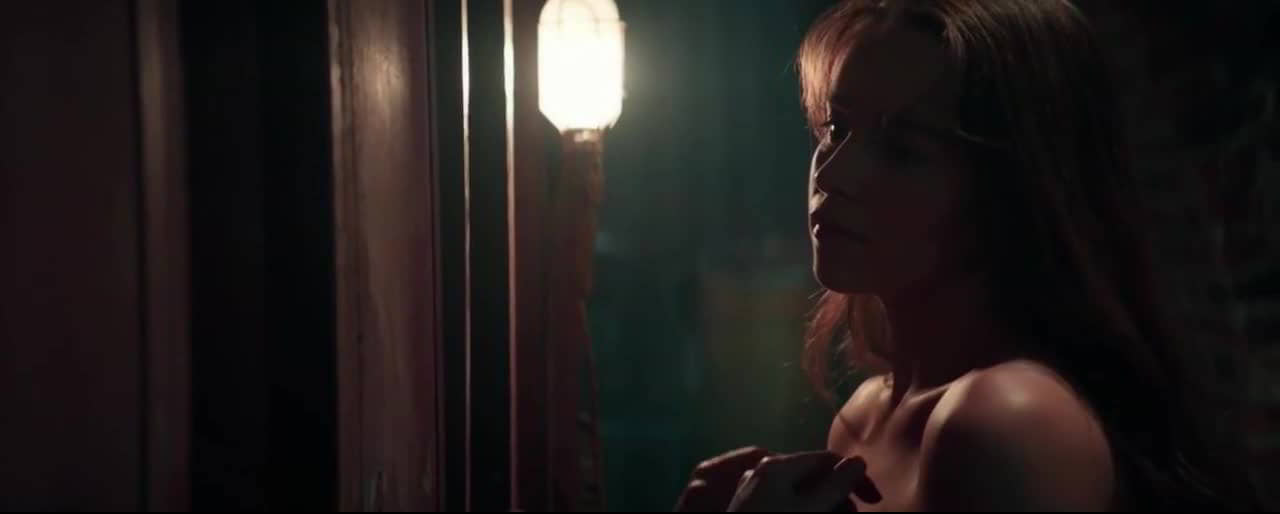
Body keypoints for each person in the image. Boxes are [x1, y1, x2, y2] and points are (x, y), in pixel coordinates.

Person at [673, 0, 1262, 511]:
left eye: (903, 149)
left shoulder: (1007, 418)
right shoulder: (864, 416)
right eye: (835, 129)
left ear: (1010, 187)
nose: (832, 174)